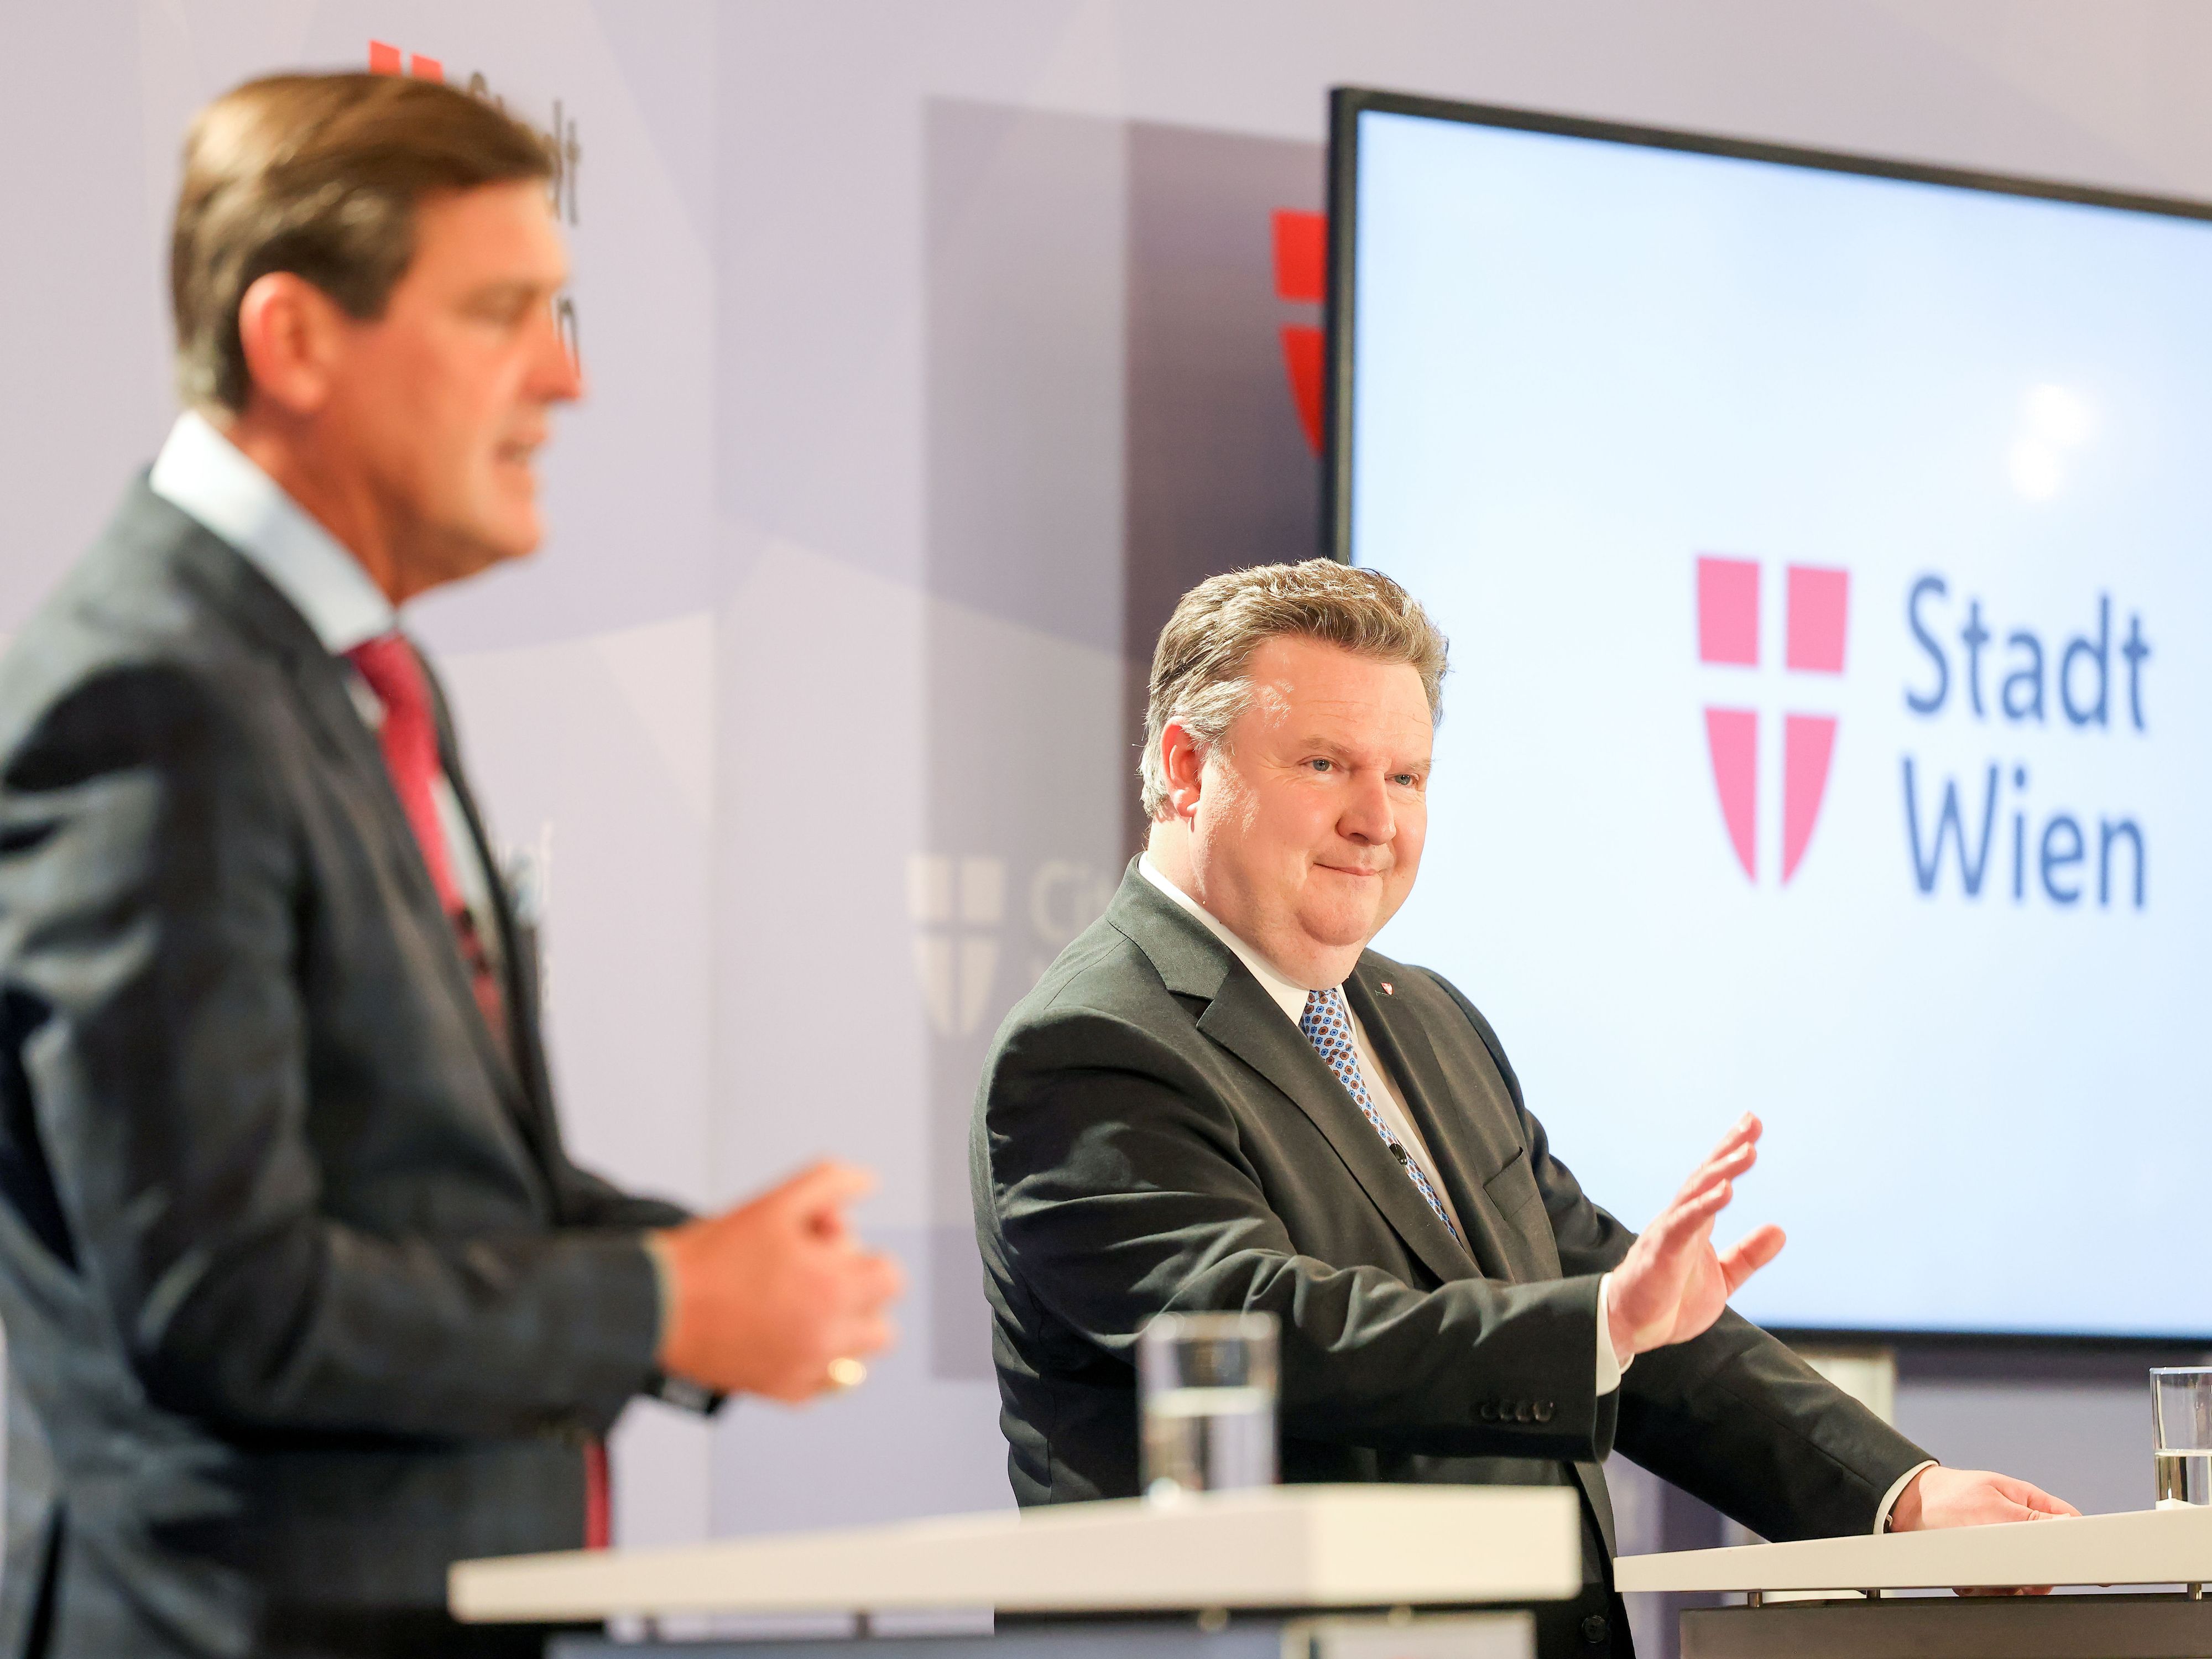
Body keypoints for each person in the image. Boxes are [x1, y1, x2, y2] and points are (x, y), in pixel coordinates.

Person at [0, 72, 900, 1659]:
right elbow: (225, 1299)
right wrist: (667, 1303)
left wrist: (716, 1278)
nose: (566, 376)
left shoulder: (350, 674)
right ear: (294, 339)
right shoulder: (151, 700)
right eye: (502, 313)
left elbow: (421, 1187)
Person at [971, 560, 2073, 1658]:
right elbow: (1269, 1335)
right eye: (1325, 765)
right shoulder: (1093, 1043)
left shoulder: (1423, 1017)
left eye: (1407, 776)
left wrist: (1896, 1495)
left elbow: (1617, 1310)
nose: (1376, 819)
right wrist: (1602, 1323)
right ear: (1185, 767)